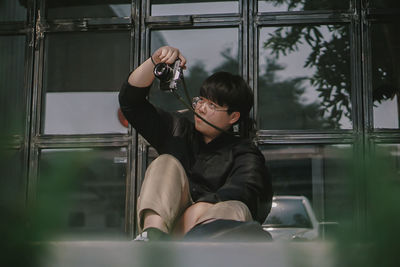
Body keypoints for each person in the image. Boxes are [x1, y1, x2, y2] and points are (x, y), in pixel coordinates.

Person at [119, 46, 273, 241]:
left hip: (211, 236)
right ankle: (151, 238)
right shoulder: (177, 129)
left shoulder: (244, 152)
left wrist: (199, 209)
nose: (200, 108)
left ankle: (201, 246)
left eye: (212, 105)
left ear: (233, 116)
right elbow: (131, 103)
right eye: (201, 100)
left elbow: (248, 192)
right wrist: (154, 61)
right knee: (165, 162)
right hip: (170, 232)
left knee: (235, 207)